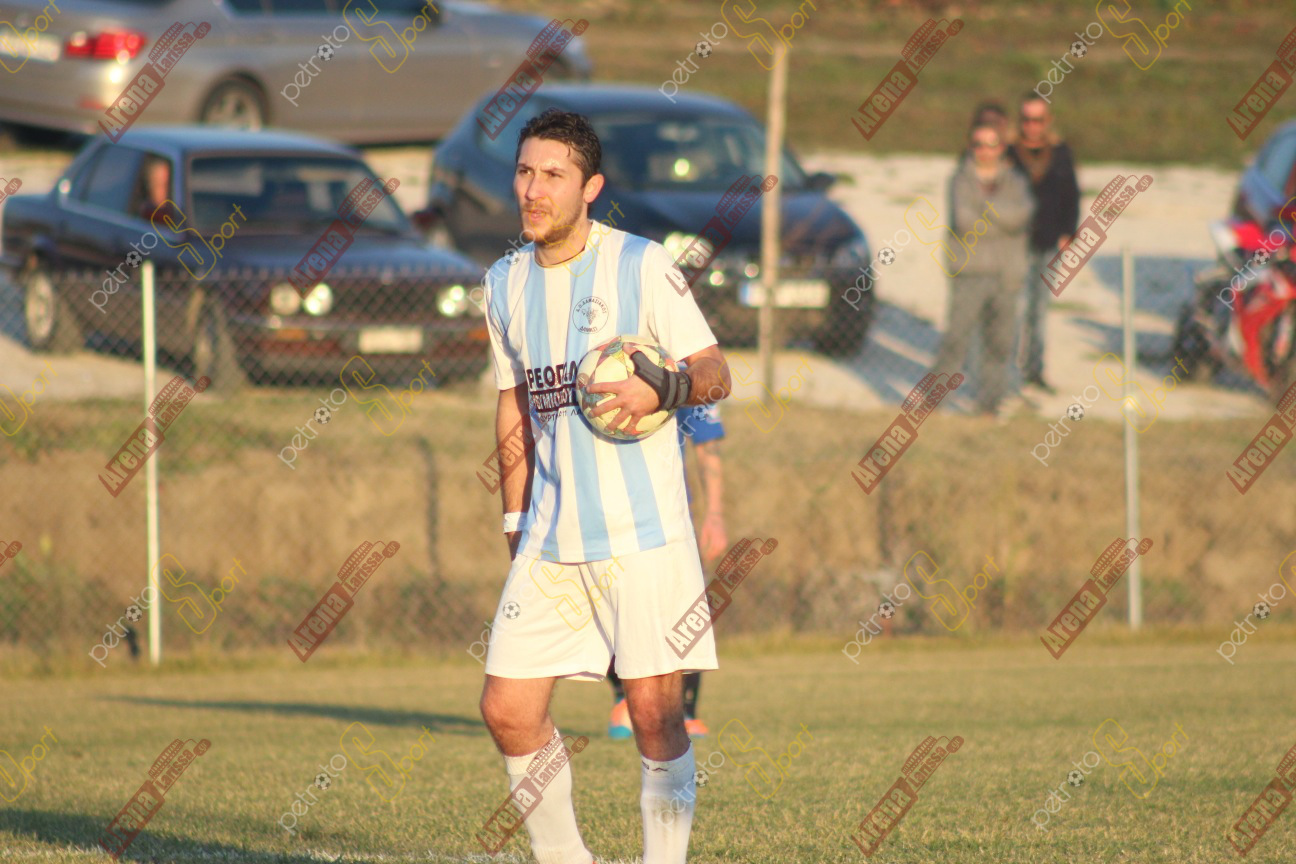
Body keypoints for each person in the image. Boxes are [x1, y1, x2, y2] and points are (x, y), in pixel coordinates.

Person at [478, 108, 732, 864]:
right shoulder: (503, 282)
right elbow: (513, 403)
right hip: (549, 538)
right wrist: (515, 518)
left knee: (655, 717)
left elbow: (716, 371)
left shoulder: (641, 264)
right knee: (507, 709)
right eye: (525, 172)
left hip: (643, 536)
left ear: (590, 187)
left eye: (553, 176)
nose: (534, 190)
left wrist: (663, 389)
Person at [607, 400, 727, 740]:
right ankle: (623, 698)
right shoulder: (590, 370)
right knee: (616, 606)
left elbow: (706, 441)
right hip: (605, 514)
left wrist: (715, 515)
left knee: (683, 609)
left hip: (668, 514)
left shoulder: (684, 370)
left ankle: (685, 711)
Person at [929, 121, 1032, 418]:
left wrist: (985, 208)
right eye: (978, 144)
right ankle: (933, 402)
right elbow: (964, 221)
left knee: (1000, 343)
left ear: (1001, 148)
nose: (984, 151)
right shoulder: (960, 180)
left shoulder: (1016, 181)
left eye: (991, 144)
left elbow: (1021, 217)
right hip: (969, 271)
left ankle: (989, 405)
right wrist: (1001, 215)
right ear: (970, 147)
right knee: (956, 339)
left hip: (1006, 273)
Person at [1008, 93, 1080, 395]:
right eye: (1026, 119)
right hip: (1016, 243)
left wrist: (1068, 233)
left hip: (1049, 242)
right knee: (1015, 309)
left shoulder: (1060, 153)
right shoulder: (1009, 153)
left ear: (1047, 121)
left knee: (1039, 310)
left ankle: (1035, 370)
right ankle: (1009, 372)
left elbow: (1071, 194)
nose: (1032, 126)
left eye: (1037, 120)